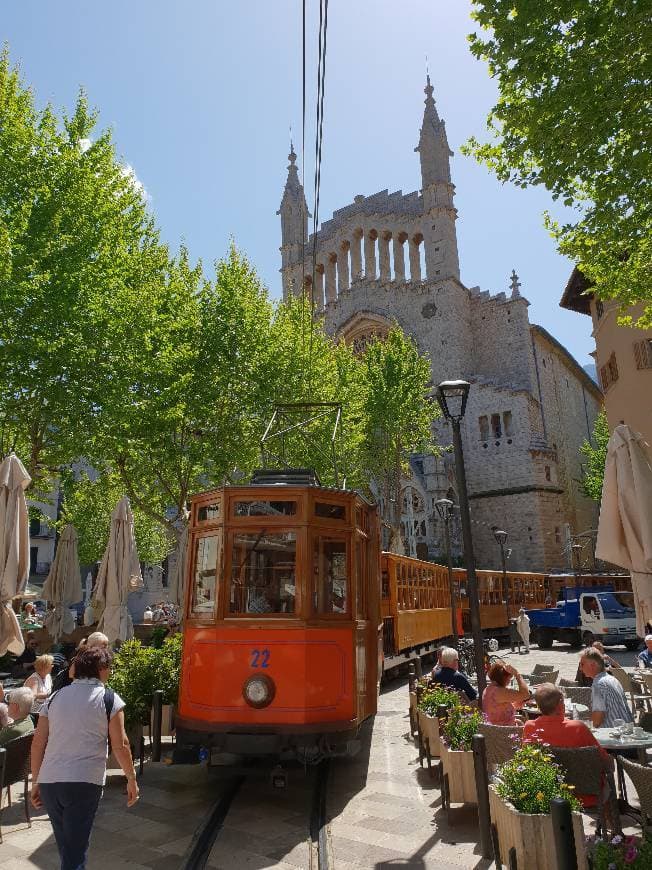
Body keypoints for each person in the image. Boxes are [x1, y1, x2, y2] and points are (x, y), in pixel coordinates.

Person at [30, 647, 139, 870]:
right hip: (83, 782)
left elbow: (38, 743)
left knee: (67, 849)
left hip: (51, 781)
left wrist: (36, 781)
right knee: (74, 853)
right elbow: (121, 744)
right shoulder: (109, 698)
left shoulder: (54, 698)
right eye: (109, 667)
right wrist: (131, 778)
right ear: (101, 669)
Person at [523, 683, 612, 807]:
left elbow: (527, 760)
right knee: (608, 779)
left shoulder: (529, 727)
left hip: (549, 794)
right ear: (560, 705)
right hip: (586, 795)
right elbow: (604, 761)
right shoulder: (578, 728)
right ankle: (609, 821)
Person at [580, 648, 633, 728]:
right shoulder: (613, 679)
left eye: (582, 664)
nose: (580, 668)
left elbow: (597, 721)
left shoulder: (598, 684)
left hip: (613, 734)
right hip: (627, 729)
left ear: (593, 665)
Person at [482, 661, 531, 725]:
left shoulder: (489, 689)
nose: (509, 681)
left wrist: (514, 706)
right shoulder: (499, 691)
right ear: (504, 677)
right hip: (506, 731)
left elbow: (497, 710)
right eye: (509, 678)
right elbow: (526, 695)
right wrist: (517, 674)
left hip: (492, 730)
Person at [25, 654, 54, 719]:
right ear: (44, 666)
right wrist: (49, 694)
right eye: (51, 664)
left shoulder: (48, 676)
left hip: (44, 709)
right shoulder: (34, 679)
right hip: (34, 712)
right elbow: (33, 696)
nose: (53, 666)